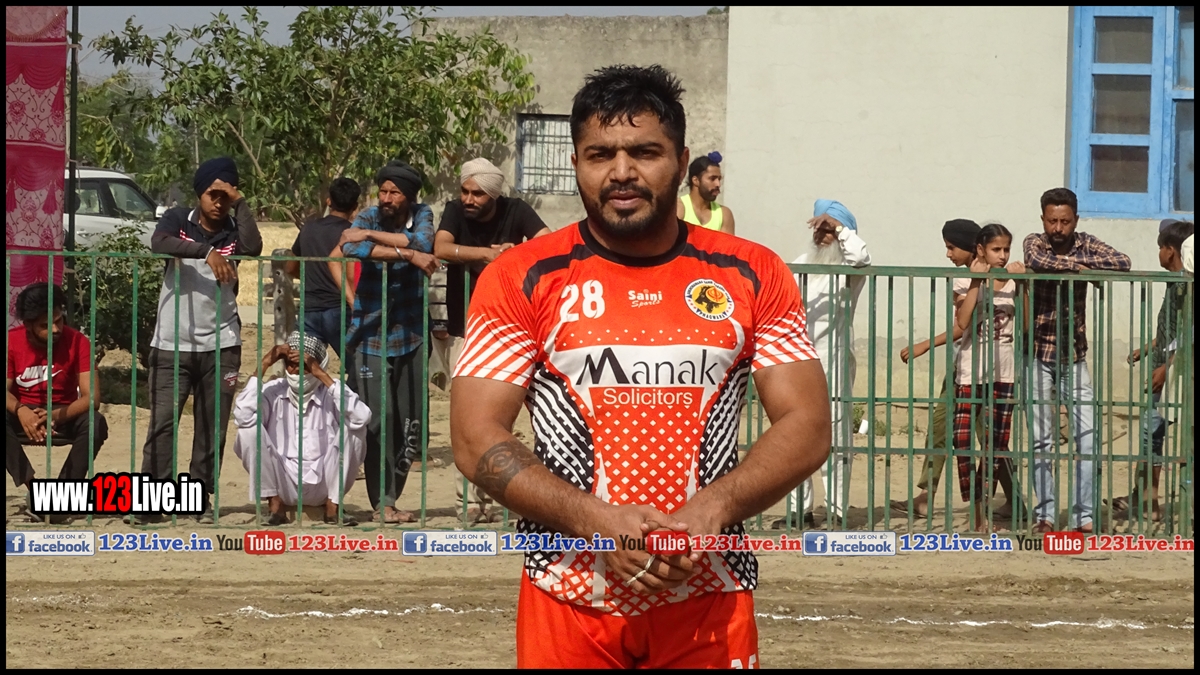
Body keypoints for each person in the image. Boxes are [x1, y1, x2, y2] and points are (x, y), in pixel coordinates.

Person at [450, 64, 830, 669]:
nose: (622, 171)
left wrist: (710, 511)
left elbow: (807, 424)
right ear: (576, 163)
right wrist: (598, 521)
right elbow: (475, 439)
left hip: (709, 590)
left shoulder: (752, 271)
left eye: (645, 152)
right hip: (567, 593)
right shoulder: (521, 276)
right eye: (600, 154)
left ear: (681, 162)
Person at [136, 157, 263, 524]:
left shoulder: (234, 230)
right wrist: (206, 252)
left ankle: (197, 499)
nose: (218, 202)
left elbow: (253, 247)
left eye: (225, 196)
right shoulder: (178, 219)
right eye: (212, 194)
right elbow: (159, 242)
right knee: (162, 425)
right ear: (199, 194)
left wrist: (241, 203)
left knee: (211, 428)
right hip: (171, 344)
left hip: (222, 344)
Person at [432, 157, 551, 523]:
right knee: (468, 420)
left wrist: (514, 255)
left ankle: (501, 501)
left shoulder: (517, 210)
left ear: (494, 195)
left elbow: (547, 242)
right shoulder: (455, 211)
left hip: (509, 328)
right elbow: (441, 247)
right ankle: (468, 504)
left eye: (478, 194)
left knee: (501, 422)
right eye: (465, 191)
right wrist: (488, 254)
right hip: (465, 329)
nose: (469, 199)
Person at [1023, 187, 1131, 533]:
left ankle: (1083, 517)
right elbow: (1037, 262)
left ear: (1076, 220)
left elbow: (1123, 262)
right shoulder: (1035, 242)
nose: (1058, 228)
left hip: (1073, 354)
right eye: (1052, 221)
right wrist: (1078, 269)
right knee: (1041, 439)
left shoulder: (1088, 243)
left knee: (1087, 436)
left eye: (1065, 221)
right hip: (1037, 353)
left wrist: (1081, 265)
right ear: (1043, 219)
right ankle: (1045, 515)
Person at [340, 160, 439, 524]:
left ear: (408, 196)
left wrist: (372, 239)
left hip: (411, 335)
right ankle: (382, 502)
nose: (386, 198)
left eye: (394, 193)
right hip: (370, 336)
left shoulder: (423, 214)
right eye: (382, 191)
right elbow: (349, 247)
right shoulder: (369, 216)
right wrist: (408, 255)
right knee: (378, 421)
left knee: (411, 423)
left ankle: (393, 497)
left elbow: (425, 241)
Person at [774, 199, 870, 529]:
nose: (821, 235)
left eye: (828, 230)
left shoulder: (849, 269)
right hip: (798, 360)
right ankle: (799, 511)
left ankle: (837, 511)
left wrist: (839, 229)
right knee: (795, 432)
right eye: (819, 228)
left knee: (836, 435)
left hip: (834, 361)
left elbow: (861, 257)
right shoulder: (803, 263)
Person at [233, 330, 370, 526]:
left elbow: (362, 416)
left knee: (355, 428)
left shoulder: (332, 391)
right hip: (283, 482)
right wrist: (265, 363)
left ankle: (334, 506)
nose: (296, 371)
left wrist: (321, 375)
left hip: (325, 482)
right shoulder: (273, 390)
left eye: (304, 366)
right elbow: (242, 415)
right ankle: (275, 505)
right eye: (291, 365)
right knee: (248, 430)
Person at [6, 283, 107, 523]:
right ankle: (34, 489)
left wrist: (55, 415)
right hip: (23, 412)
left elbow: (92, 398)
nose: (55, 329)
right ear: (28, 325)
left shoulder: (78, 341)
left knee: (95, 423)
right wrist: (21, 411)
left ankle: (61, 495)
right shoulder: (11, 341)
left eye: (59, 321)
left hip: (63, 412)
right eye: (45, 325)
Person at [1119, 220, 1194, 522]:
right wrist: (1149, 347)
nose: (1158, 253)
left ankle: (1151, 504)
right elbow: (1172, 329)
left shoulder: (1185, 284)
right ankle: (1143, 498)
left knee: (1154, 434)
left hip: (1175, 371)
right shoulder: (1175, 281)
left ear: (1170, 250)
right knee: (1152, 435)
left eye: (1160, 248)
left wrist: (1166, 368)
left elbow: (1188, 333)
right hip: (1166, 365)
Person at [952, 224, 1024, 531]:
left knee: (994, 446)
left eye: (1006, 249)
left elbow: (1026, 324)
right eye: (996, 249)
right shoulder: (965, 279)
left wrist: (1025, 285)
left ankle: (983, 515)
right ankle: (976, 509)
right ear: (981, 250)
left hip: (1003, 371)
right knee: (963, 440)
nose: (1003, 255)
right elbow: (963, 321)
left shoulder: (1013, 281)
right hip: (972, 370)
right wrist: (976, 282)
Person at [286, 177, 362, 355]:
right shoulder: (352, 235)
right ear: (355, 206)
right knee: (357, 366)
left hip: (309, 311)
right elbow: (353, 276)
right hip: (340, 311)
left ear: (329, 201)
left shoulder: (308, 229)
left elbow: (290, 267)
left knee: (302, 367)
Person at [676, 151, 735, 234]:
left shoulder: (724, 215)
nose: (718, 184)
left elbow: (726, 242)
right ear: (696, 180)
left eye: (719, 179)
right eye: (712, 179)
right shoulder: (678, 208)